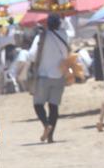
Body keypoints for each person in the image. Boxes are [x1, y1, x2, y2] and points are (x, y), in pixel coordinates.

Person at [26, 13, 72, 144]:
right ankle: (51, 137)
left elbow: (31, 56)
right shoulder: (64, 35)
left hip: (44, 75)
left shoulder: (41, 36)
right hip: (59, 75)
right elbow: (66, 53)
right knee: (54, 106)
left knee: (38, 104)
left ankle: (46, 125)